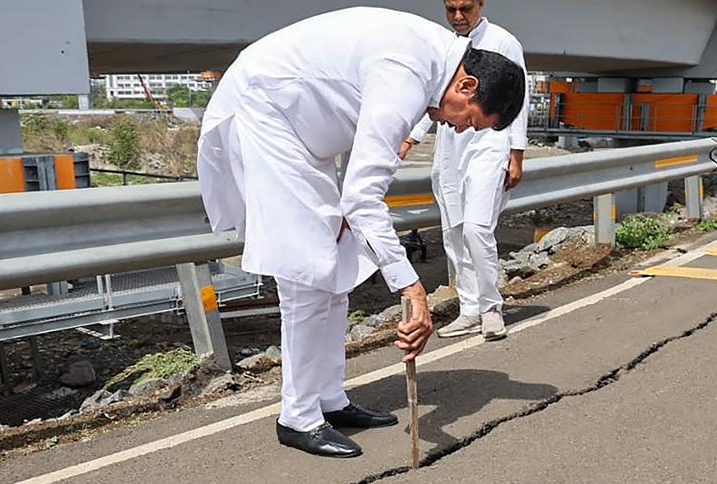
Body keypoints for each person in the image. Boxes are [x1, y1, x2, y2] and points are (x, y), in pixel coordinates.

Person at [197, 8, 525, 459]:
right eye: (470, 119)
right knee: (309, 275)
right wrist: (412, 289)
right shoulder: (407, 75)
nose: (458, 127)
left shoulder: (430, 65)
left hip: (306, 130)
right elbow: (362, 194)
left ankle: (329, 399)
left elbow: (363, 163)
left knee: (338, 268)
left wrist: (351, 218)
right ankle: (298, 416)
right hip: (265, 113)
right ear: (467, 86)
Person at [398, 0, 530, 342]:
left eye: (466, 8)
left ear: (481, 4)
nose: (458, 16)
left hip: (489, 142)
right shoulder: (445, 47)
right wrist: (411, 138)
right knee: (454, 233)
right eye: (451, 9)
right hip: (450, 145)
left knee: (476, 229)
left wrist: (517, 153)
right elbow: (432, 97)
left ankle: (491, 308)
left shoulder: (504, 42)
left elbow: (519, 99)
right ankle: (469, 308)